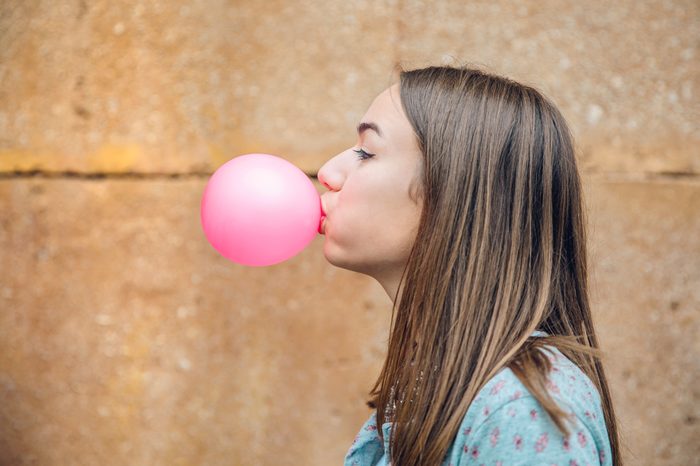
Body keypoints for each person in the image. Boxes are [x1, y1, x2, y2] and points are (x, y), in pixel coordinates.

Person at [317, 65, 623, 465]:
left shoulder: (522, 412)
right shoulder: (440, 378)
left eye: (366, 152)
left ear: (453, 195)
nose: (327, 173)